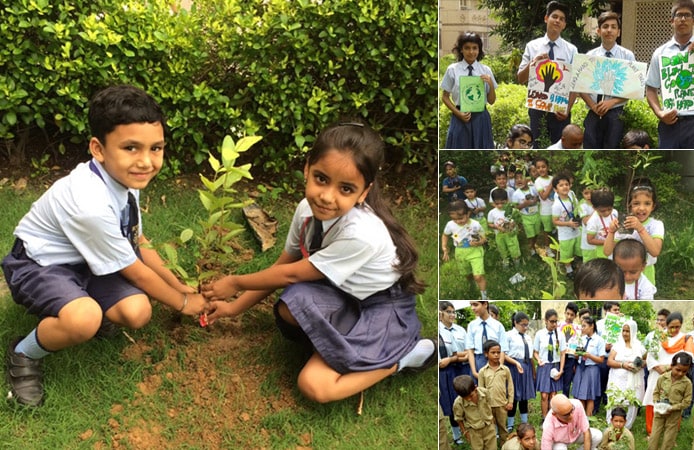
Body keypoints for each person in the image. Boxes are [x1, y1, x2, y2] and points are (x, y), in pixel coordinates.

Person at [1, 85, 207, 407]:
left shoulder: (125, 178)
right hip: (40, 265)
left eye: (156, 148)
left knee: (138, 312)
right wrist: (183, 303)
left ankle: (85, 307)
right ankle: (23, 353)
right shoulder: (89, 204)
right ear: (98, 148)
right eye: (131, 148)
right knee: (84, 319)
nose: (146, 161)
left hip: (86, 259)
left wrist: (180, 287)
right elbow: (137, 272)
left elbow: (138, 241)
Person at [202, 122, 436, 403]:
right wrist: (232, 308)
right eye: (321, 179)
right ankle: (341, 346)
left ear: (364, 192)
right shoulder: (306, 211)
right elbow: (282, 268)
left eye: (346, 188)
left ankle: (403, 357)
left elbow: (290, 275)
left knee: (314, 385)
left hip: (382, 308)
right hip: (346, 295)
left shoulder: (361, 234)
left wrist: (235, 282)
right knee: (290, 305)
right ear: (307, 168)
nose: (327, 196)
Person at [517, 1, 578, 147]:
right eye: (554, 16)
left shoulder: (571, 50)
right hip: (537, 108)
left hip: (560, 112)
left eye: (561, 19)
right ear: (546, 18)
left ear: (564, 25)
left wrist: (567, 109)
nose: (557, 21)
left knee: (561, 148)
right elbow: (520, 78)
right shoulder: (532, 47)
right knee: (537, 146)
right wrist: (533, 63)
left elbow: (575, 84)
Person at [645, 0, 694, 148]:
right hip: (670, 123)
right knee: (667, 163)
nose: (683, 19)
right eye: (679, 15)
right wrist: (659, 113)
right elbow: (650, 88)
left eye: (687, 15)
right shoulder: (660, 53)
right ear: (672, 21)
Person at [580, 12, 636, 149]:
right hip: (593, 112)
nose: (609, 30)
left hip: (616, 113)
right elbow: (580, 87)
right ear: (598, 31)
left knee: (611, 150)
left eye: (613, 27)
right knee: (590, 150)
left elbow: (633, 87)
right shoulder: (589, 56)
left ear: (618, 32)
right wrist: (593, 106)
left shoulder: (627, 56)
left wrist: (612, 102)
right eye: (605, 26)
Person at [441, 32, 497, 149]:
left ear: (479, 49)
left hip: (481, 118)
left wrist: (490, 84)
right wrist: (458, 114)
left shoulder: (486, 70)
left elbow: (491, 101)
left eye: (474, 48)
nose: (471, 52)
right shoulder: (452, 70)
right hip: (460, 116)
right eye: (467, 48)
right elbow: (445, 97)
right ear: (461, 49)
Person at [603, 179, 664, 286]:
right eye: (636, 203)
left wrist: (640, 229)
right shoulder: (624, 224)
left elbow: (655, 251)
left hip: (645, 271)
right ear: (629, 205)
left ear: (653, 206)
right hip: (623, 273)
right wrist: (611, 232)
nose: (641, 208)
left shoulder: (656, 225)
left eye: (647, 203)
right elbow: (608, 252)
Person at [643, 311, 694, 435]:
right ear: (667, 325)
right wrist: (657, 367)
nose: (674, 330)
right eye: (671, 327)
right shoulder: (659, 336)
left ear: (681, 325)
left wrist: (668, 368)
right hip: (656, 374)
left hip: (676, 376)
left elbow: (688, 357)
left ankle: (671, 433)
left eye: (677, 327)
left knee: (674, 403)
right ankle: (651, 432)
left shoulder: (686, 338)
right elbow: (650, 356)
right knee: (653, 400)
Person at [439, 301, 471, 446]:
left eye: (453, 312)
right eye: (448, 312)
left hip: (462, 369)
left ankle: (470, 431)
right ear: (441, 313)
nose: (452, 315)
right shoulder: (438, 331)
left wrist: (453, 357)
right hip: (447, 372)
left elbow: (467, 352)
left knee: (467, 399)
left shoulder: (460, 330)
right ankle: (457, 435)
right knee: (452, 404)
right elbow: (441, 362)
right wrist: (457, 356)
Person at [442, 200, 489, 300]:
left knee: (478, 276)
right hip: (460, 253)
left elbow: (484, 237)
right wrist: (444, 247)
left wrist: (480, 242)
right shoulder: (450, 225)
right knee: (467, 274)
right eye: (455, 219)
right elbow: (445, 235)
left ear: (468, 213)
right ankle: (471, 284)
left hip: (475, 251)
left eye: (460, 218)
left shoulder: (475, 224)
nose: (458, 221)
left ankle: (484, 296)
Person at [606, 319, 646, 428]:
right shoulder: (617, 345)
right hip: (618, 379)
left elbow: (645, 362)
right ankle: (612, 425)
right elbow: (609, 361)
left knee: (632, 403)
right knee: (615, 401)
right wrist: (623, 365)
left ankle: (627, 427)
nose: (625, 333)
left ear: (633, 331)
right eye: (623, 330)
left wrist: (638, 365)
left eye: (627, 331)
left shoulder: (639, 346)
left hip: (634, 379)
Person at [649, 352, 693, 449]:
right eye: (678, 370)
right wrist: (657, 404)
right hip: (659, 412)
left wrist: (672, 408)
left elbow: (687, 402)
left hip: (674, 414)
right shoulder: (662, 378)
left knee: (669, 438)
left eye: (684, 371)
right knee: (654, 435)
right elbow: (656, 392)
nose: (680, 373)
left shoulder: (687, 383)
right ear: (672, 366)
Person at [504, 312, 536, 433]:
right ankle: (510, 423)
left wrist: (533, 371)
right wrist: (516, 363)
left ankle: (524, 421)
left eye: (527, 325)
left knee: (524, 395)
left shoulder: (527, 337)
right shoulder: (509, 336)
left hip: (526, 366)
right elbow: (504, 354)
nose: (525, 327)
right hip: (513, 367)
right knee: (514, 395)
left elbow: (531, 356)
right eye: (523, 325)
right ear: (515, 323)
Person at [478, 340, 514, 444]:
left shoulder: (505, 369)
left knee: (503, 427)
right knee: (490, 429)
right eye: (493, 353)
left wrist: (510, 401)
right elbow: (481, 390)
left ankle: (504, 445)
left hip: (502, 404)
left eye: (498, 352)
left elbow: (510, 386)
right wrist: (484, 406)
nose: (496, 355)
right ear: (486, 354)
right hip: (489, 406)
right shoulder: (482, 371)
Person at [452, 374, 498, 450]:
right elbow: (459, 419)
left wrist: (492, 420)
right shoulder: (458, 403)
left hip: (489, 427)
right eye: (465, 398)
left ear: (475, 388)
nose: (469, 399)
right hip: (474, 431)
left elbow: (490, 405)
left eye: (471, 396)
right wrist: (465, 432)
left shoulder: (485, 392)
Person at [533, 309, 565, 418]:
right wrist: (539, 360)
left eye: (556, 321)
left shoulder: (560, 335)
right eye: (552, 321)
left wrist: (561, 370)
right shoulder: (539, 334)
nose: (554, 324)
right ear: (545, 321)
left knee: (553, 394)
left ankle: (552, 417)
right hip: (544, 366)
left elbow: (562, 353)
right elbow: (535, 352)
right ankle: (544, 417)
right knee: (544, 395)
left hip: (555, 366)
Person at [571, 316, 605, 416]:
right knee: (580, 394)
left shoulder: (599, 340)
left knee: (590, 395)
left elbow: (601, 359)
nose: (582, 328)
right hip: (581, 368)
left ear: (592, 326)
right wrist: (577, 355)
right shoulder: (581, 339)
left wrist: (589, 355)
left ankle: (588, 418)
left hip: (592, 369)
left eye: (584, 326)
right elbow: (577, 356)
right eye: (582, 326)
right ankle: (580, 418)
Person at [466, 301, 508, 377]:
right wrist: (474, 372)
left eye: (475, 305)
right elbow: (470, 350)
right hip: (478, 361)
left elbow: (503, 349)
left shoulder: (498, 326)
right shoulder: (472, 326)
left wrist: (499, 370)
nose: (473, 308)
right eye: (471, 305)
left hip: (495, 361)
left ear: (485, 304)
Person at [550, 173, 579, 279]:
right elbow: (555, 221)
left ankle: (572, 262)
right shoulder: (556, 205)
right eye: (561, 185)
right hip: (565, 233)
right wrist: (568, 223)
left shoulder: (572, 195)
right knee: (566, 251)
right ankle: (569, 270)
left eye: (566, 184)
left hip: (575, 229)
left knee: (574, 247)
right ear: (555, 189)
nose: (565, 187)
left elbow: (577, 207)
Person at [488, 188, 521, 268]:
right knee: (502, 248)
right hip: (499, 235)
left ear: (507, 200)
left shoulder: (512, 210)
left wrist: (513, 224)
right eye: (497, 203)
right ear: (494, 202)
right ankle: (505, 260)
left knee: (513, 247)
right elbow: (490, 224)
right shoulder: (492, 213)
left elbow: (517, 220)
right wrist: (497, 227)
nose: (500, 205)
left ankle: (516, 261)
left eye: (503, 203)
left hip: (511, 234)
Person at [511, 170, 540, 257]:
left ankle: (534, 244)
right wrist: (524, 204)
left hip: (536, 214)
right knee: (530, 234)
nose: (519, 180)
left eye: (521, 177)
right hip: (526, 217)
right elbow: (515, 207)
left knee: (536, 233)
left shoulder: (533, 188)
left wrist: (536, 200)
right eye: (516, 178)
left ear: (527, 179)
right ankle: (531, 248)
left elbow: (538, 198)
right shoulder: (516, 194)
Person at [585, 189, 617, 261]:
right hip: (602, 252)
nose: (607, 213)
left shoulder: (615, 212)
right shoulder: (593, 221)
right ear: (594, 208)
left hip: (615, 249)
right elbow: (590, 240)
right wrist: (609, 242)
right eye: (603, 211)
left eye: (609, 209)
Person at [558, 302, 581, 398]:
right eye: (567, 313)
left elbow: (581, 343)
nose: (569, 316)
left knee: (567, 383)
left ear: (575, 316)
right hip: (558, 356)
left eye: (572, 315)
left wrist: (578, 355)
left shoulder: (578, 328)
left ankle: (565, 401)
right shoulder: (558, 326)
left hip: (571, 357)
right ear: (564, 313)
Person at [534, 157, 555, 255]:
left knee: (557, 229)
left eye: (543, 166)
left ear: (548, 167)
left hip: (556, 210)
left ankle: (557, 245)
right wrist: (551, 185)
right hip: (546, 211)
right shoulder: (538, 181)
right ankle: (548, 248)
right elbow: (543, 197)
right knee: (548, 232)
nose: (541, 169)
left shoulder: (552, 178)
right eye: (538, 168)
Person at [685, 310, 694, 418]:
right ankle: (683, 411)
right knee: (687, 387)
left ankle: (688, 413)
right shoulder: (689, 335)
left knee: (693, 386)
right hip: (689, 364)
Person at [577, 185, 596, 262]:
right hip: (587, 243)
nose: (589, 196)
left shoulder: (600, 204)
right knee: (588, 262)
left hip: (598, 239)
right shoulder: (582, 206)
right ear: (582, 194)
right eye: (586, 193)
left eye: (591, 192)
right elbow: (585, 221)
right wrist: (596, 210)